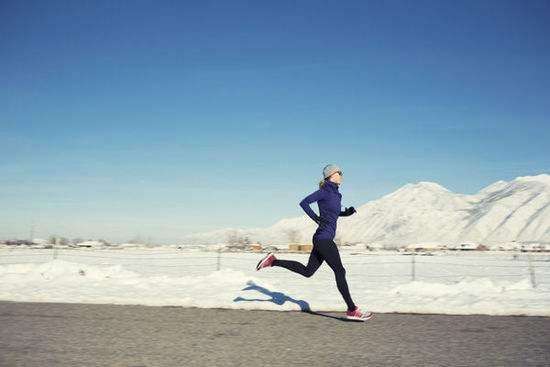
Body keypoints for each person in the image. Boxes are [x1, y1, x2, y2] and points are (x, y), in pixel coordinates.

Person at [255, 164, 373, 321]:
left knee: (308, 271)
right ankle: (352, 309)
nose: (342, 175)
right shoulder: (323, 192)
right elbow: (304, 202)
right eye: (340, 172)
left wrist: (347, 212)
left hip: (323, 239)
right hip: (323, 239)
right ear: (331, 175)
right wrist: (316, 218)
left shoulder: (337, 195)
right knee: (340, 270)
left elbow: (334, 213)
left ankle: (273, 261)